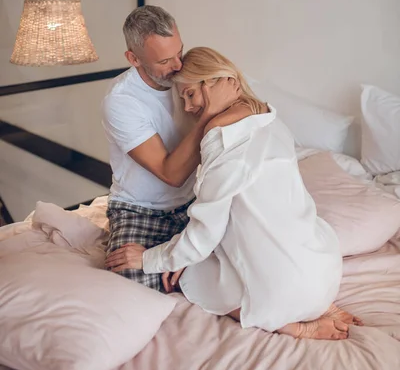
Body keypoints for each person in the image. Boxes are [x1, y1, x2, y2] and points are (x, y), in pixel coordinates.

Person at [106, 47, 363, 340]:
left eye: (190, 94)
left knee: (187, 277)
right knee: (209, 256)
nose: (188, 107)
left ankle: (293, 325)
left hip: (282, 293)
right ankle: (316, 305)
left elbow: (205, 232)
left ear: (212, 83)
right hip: (323, 269)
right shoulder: (268, 115)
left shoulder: (223, 140)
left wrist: (149, 259)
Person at [102, 7, 239, 291]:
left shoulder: (190, 75)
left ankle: (189, 267)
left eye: (180, 51)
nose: (178, 65)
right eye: (165, 60)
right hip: (140, 210)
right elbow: (171, 173)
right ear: (133, 58)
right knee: (128, 277)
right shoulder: (121, 101)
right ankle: (193, 270)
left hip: (193, 202)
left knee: (250, 255)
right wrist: (208, 114)